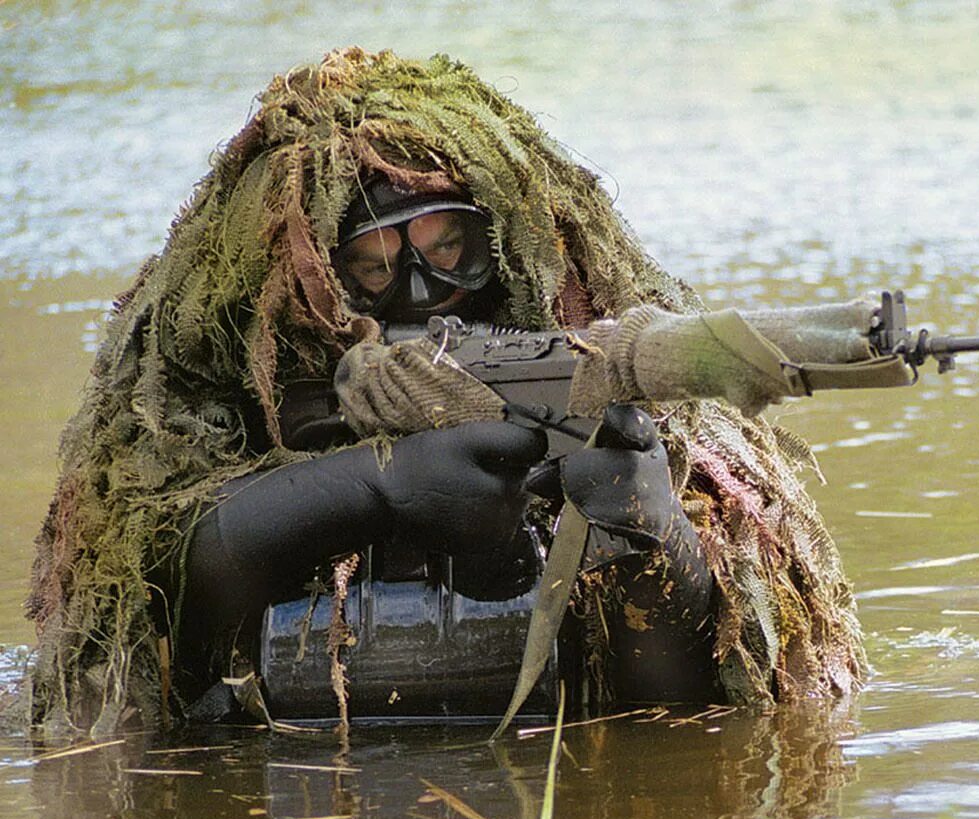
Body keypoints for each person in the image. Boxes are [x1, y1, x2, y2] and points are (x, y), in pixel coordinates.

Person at [22, 49, 866, 735]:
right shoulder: (219, 393)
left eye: (449, 245)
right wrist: (375, 485)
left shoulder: (587, 353)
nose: (423, 292)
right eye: (373, 266)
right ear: (305, 277)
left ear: (507, 238)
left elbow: (707, 701)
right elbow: (146, 620)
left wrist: (655, 535)